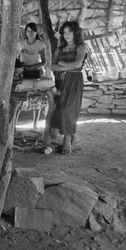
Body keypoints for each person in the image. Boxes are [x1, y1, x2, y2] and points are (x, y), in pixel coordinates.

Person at [51, 21, 86, 154]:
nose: (66, 35)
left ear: (75, 32)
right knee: (61, 108)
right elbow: (52, 66)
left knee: (69, 109)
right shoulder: (59, 49)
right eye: (64, 32)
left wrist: (61, 63)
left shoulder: (81, 47)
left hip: (74, 80)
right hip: (60, 80)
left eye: (69, 32)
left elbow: (78, 64)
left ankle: (67, 140)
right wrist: (66, 66)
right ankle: (73, 137)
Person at [17, 22, 48, 129]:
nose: (30, 33)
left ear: (36, 32)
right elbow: (16, 60)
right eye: (28, 31)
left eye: (32, 31)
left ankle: (35, 124)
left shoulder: (40, 44)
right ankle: (13, 124)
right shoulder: (20, 44)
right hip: (23, 73)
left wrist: (32, 67)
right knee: (19, 98)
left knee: (36, 98)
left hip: (36, 72)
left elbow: (44, 62)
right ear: (25, 32)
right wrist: (22, 67)